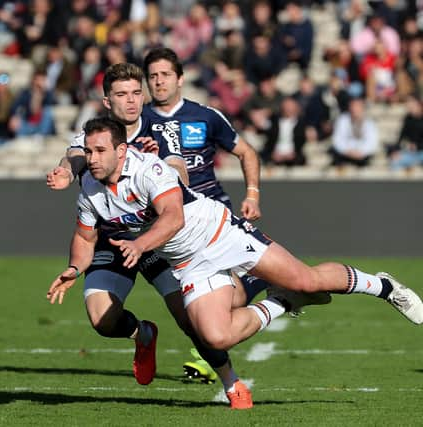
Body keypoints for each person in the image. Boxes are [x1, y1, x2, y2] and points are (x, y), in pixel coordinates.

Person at [48, 117, 423, 396]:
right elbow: (84, 237)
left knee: (307, 280)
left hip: (221, 233)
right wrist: (72, 268)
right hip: (189, 263)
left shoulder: (149, 170)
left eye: (100, 151)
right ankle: (280, 303)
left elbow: (173, 218)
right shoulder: (91, 191)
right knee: (215, 336)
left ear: (121, 150)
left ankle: (383, 285)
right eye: (89, 151)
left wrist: (141, 244)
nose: (92, 159)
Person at [46, 63, 255, 409]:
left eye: (135, 93)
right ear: (107, 100)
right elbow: (74, 158)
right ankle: (142, 334)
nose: (131, 101)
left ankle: (232, 382)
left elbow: (182, 181)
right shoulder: (95, 135)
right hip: (112, 239)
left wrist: (160, 165)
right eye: (121, 94)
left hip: (158, 241)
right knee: (101, 319)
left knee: (191, 320)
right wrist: (66, 174)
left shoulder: (159, 131)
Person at [141, 46, 276, 383]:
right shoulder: (138, 121)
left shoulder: (206, 116)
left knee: (224, 297)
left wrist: (253, 195)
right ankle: (217, 347)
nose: (159, 82)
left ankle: (208, 358)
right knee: (195, 305)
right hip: (171, 225)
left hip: (213, 216)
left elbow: (246, 153)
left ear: (180, 79)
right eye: (153, 76)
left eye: (165, 75)